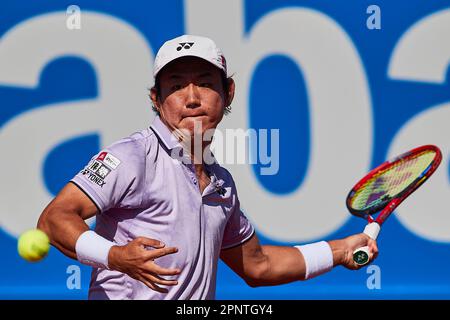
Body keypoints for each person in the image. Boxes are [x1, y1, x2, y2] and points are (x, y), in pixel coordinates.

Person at [37, 34, 378, 300]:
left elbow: (259, 266)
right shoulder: (131, 156)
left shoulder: (221, 184)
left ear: (228, 92)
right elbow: (54, 219)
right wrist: (115, 256)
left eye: (204, 82)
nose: (191, 98)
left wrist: (339, 249)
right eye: (174, 87)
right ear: (156, 100)